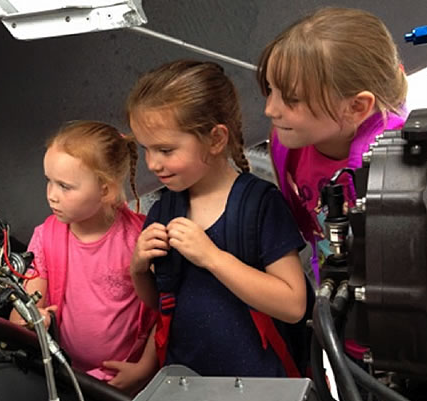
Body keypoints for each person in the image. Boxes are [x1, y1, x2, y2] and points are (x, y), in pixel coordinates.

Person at [127, 59, 307, 377]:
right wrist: (139, 270)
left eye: (166, 150)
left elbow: (293, 306)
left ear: (216, 139)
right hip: (187, 381)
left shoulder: (259, 205)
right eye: (146, 149)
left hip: (258, 384)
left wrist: (212, 257)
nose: (152, 163)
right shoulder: (162, 210)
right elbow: (162, 301)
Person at [257, 7, 408, 282]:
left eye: (291, 99)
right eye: (270, 89)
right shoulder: (291, 140)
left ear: (356, 106)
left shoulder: (402, 169)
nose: (270, 109)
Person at [10, 120, 157, 394]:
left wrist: (145, 368)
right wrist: (32, 319)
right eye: (49, 181)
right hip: (69, 376)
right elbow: (23, 310)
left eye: (65, 186)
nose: (52, 195)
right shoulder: (46, 237)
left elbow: (166, 309)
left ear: (105, 190)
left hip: (128, 381)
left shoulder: (141, 239)